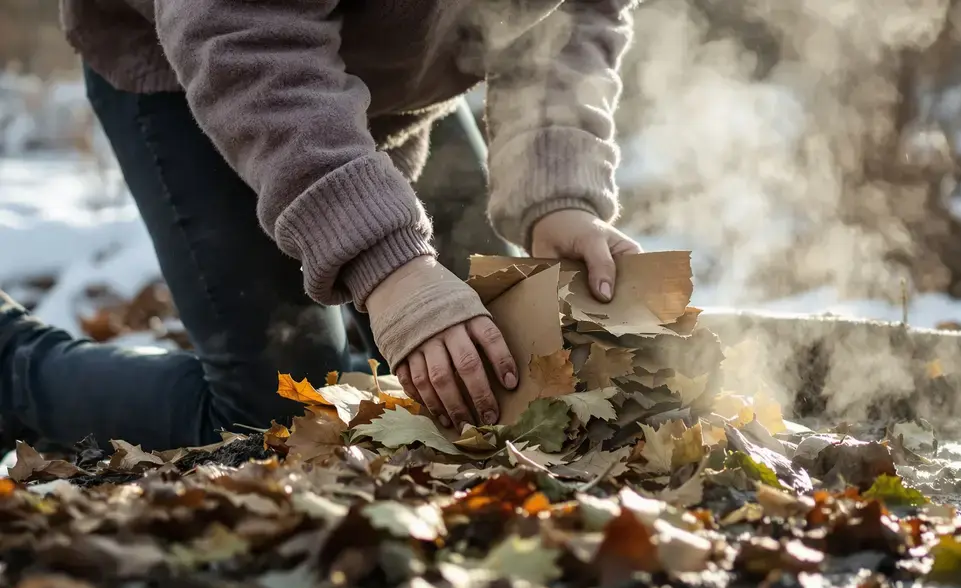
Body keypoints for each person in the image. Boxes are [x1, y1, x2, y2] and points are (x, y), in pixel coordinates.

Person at [0, 0, 643, 452]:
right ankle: (11, 368)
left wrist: (556, 193)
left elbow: (576, 17)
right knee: (284, 417)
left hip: (393, 68)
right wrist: (388, 263)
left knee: (495, 363)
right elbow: (245, 37)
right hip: (209, 56)